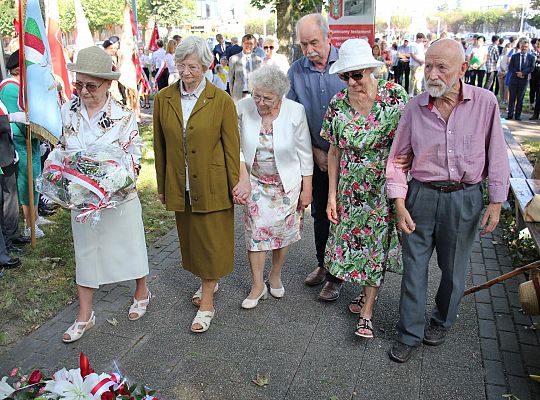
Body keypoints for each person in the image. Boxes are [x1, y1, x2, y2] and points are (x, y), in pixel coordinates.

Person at [386, 38, 509, 363]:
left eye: (442, 67)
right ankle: (409, 332)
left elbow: (497, 153)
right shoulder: (415, 108)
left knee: (454, 270)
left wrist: (496, 201)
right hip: (421, 197)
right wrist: (399, 202)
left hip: (464, 199)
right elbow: (397, 159)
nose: (433, 73)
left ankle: (441, 321)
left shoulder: (485, 103)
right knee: (413, 268)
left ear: (463, 69)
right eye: (428, 65)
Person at [59, 46, 150, 343]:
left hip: (117, 196)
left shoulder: (123, 115)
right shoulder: (67, 110)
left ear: (108, 84)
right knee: (85, 253)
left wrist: (112, 177)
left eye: (90, 85)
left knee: (130, 244)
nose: (83, 91)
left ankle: (141, 290)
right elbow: (63, 147)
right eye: (79, 84)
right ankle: (85, 315)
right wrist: (59, 168)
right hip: (82, 198)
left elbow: (134, 155)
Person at [153, 36, 240, 333]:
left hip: (213, 182)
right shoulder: (163, 98)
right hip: (181, 182)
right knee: (191, 238)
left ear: (206, 66)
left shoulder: (222, 100)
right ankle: (208, 283)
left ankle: (207, 302)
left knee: (210, 240)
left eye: (192, 66)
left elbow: (232, 147)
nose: (185, 71)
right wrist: (162, 184)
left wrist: (236, 184)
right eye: (181, 64)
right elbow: (159, 146)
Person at [323, 39, 407, 338]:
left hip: (383, 187)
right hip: (349, 188)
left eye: (357, 75)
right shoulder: (337, 103)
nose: (352, 82)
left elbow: (412, 138)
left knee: (375, 249)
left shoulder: (395, 97)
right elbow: (333, 152)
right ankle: (362, 294)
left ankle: (368, 311)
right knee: (353, 246)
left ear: (371, 68)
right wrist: (331, 195)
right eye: (345, 76)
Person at [234, 64, 313, 309]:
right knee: (256, 234)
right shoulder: (243, 108)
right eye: (256, 95)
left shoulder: (295, 111)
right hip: (255, 180)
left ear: (280, 95)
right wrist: (242, 177)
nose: (260, 101)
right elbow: (234, 147)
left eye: (267, 98)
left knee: (282, 232)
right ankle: (257, 285)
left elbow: (305, 152)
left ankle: (275, 274)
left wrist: (307, 189)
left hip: (286, 184)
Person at [286, 13, 346, 301]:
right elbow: (292, 118)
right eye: (303, 44)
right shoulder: (296, 71)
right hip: (316, 156)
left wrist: (336, 153)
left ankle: (338, 276)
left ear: (328, 38)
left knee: (343, 218)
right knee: (320, 215)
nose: (308, 50)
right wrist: (314, 151)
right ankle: (323, 264)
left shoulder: (348, 64)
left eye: (314, 42)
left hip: (348, 159)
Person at [0, 50, 44, 239]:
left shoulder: (21, 84)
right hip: (20, 139)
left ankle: (35, 217)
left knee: (35, 179)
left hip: (30, 138)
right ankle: (29, 224)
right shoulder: (10, 87)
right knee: (26, 182)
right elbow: (17, 116)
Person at [0, 100, 23, 271]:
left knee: (9, 201)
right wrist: (9, 118)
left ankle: (9, 239)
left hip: (5, 153)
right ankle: (3, 252)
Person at [507, 39, 535, 121]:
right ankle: (510, 114)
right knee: (512, 98)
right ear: (520, 46)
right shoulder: (514, 56)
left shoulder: (531, 57)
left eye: (526, 47)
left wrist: (523, 73)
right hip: (514, 80)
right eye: (522, 46)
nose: (524, 48)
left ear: (528, 48)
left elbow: (531, 68)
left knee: (520, 98)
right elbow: (510, 67)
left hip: (524, 80)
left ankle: (517, 115)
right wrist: (517, 73)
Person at [229, 34, 263, 102]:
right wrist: (232, 95)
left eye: (251, 44)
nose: (248, 46)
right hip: (239, 94)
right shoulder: (233, 59)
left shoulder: (258, 60)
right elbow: (231, 79)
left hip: (253, 94)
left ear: (254, 45)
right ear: (242, 44)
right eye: (246, 43)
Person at [529, 39, 540, 120]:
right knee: (537, 97)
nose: (537, 45)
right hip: (535, 77)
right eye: (537, 44)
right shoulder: (534, 53)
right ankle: (536, 114)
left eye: (538, 44)